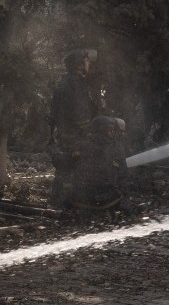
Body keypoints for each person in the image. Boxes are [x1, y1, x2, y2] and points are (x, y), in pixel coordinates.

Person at [47, 48, 128, 214]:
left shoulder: (64, 82)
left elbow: (54, 114)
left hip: (65, 135)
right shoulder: (77, 85)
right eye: (87, 60)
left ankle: (60, 200)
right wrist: (91, 134)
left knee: (65, 169)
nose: (89, 63)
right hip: (76, 136)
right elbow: (82, 115)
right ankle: (81, 201)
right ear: (79, 64)